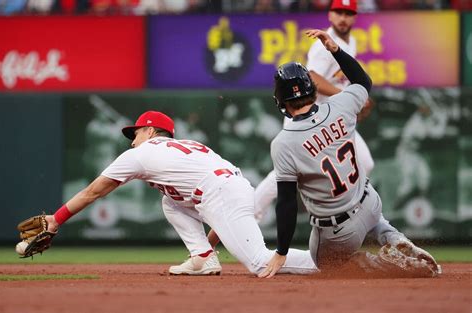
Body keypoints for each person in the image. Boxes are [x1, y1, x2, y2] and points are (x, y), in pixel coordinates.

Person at [42, 110, 317, 276]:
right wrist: (209, 248)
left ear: (149, 131)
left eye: (135, 134)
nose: (132, 140)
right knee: (170, 201)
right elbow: (215, 201)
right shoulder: (189, 146)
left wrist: (56, 220)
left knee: (259, 262)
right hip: (229, 188)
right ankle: (202, 258)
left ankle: (327, 262)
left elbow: (93, 192)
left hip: (220, 194)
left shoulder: (142, 152)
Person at [258, 29, 440, 278]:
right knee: (369, 209)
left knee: (325, 262)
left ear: (281, 101)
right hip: (371, 204)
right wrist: (335, 50)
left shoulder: (284, 142)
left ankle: (381, 264)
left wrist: (281, 251)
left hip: (339, 233)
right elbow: (364, 81)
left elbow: (287, 204)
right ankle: (392, 236)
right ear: (312, 88)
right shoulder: (342, 105)